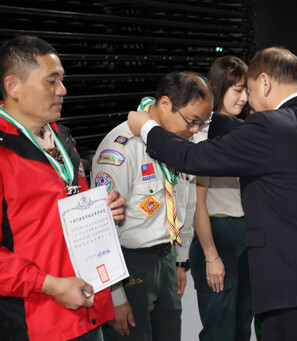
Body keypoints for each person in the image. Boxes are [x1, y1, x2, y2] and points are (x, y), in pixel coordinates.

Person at [128, 46, 297, 341]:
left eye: (248, 90)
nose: (247, 98)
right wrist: (208, 119)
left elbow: (193, 158)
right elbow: (251, 132)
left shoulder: (269, 127)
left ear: (264, 82)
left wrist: (147, 127)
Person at [0, 35, 126, 341]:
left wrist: (100, 211)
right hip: (36, 323)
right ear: (13, 86)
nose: (63, 90)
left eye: (63, 80)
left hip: (87, 310)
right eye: (52, 81)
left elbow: (58, 218)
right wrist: (51, 285)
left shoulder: (62, 139)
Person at [91, 71, 212, 341]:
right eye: (191, 122)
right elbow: (100, 230)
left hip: (167, 257)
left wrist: (180, 261)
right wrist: (114, 295)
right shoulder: (122, 147)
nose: (194, 131)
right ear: (166, 104)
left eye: (201, 124)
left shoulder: (182, 144)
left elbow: (187, 204)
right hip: (129, 264)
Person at [191, 56, 253, 341]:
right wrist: (211, 255)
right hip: (216, 234)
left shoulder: (244, 131)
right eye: (237, 89)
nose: (243, 97)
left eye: (246, 90)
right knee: (219, 330)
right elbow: (197, 203)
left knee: (242, 324)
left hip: (247, 234)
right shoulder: (204, 136)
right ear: (219, 88)